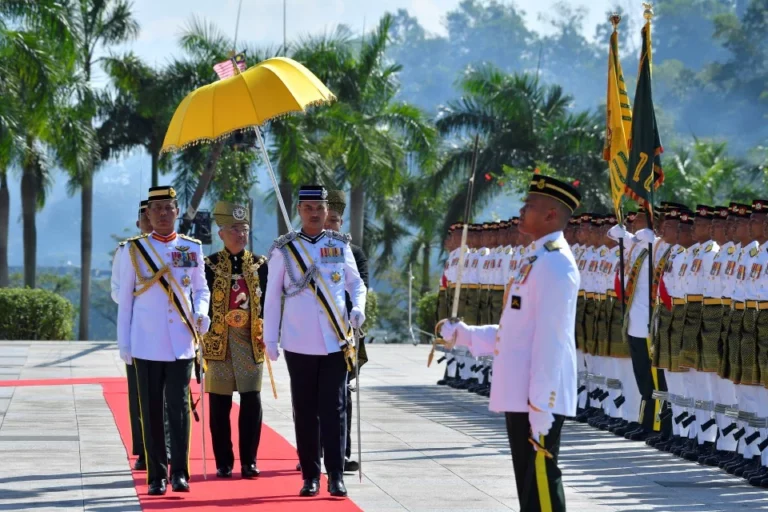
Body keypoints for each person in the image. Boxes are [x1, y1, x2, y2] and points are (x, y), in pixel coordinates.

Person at [439, 174, 581, 512]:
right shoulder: (535, 260)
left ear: (550, 215)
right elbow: (514, 333)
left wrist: (542, 404)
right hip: (522, 395)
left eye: (530, 206)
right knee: (530, 490)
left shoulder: (557, 265)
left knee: (542, 488)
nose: (521, 210)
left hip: (536, 398)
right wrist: (466, 335)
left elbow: (552, 341)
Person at [263, 185, 367, 498]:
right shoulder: (284, 249)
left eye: (318, 208)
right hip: (299, 342)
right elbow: (271, 297)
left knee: (334, 408)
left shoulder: (339, 244)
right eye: (308, 207)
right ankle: (310, 475)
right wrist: (271, 338)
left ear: (325, 210)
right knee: (305, 410)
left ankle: (336, 474)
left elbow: (355, 283)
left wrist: (358, 307)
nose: (314, 213)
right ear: (298, 209)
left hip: (335, 340)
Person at [116, 186, 211, 496]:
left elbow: (201, 288)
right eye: (155, 209)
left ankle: (180, 472)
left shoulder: (191, 247)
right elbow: (126, 301)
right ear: (148, 214)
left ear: (177, 210)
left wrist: (201, 313)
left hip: (181, 341)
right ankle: (156, 474)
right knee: (152, 408)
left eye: (168, 208)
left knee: (179, 408)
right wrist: (124, 343)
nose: (162, 214)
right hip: (146, 341)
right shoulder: (134, 250)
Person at [203, 201, 268, 480]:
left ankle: (250, 460)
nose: (240, 234)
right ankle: (224, 461)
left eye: (244, 229)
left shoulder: (260, 265)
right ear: (221, 233)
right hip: (219, 340)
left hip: (250, 341)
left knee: (252, 401)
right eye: (234, 229)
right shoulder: (209, 265)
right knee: (219, 403)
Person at [325, 189, 368, 473]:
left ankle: (342, 452)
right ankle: (314, 451)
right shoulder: (303, 249)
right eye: (325, 219)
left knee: (343, 394)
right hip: (312, 334)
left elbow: (361, 284)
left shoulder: (353, 252)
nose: (329, 225)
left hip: (344, 332)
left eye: (335, 221)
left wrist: (354, 312)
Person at [111, 200, 154, 471]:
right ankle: (143, 449)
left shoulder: (176, 249)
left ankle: (169, 446)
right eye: (146, 218)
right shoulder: (127, 251)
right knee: (139, 393)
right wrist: (134, 297)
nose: (152, 222)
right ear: (139, 223)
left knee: (171, 396)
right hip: (139, 329)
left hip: (170, 330)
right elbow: (116, 289)